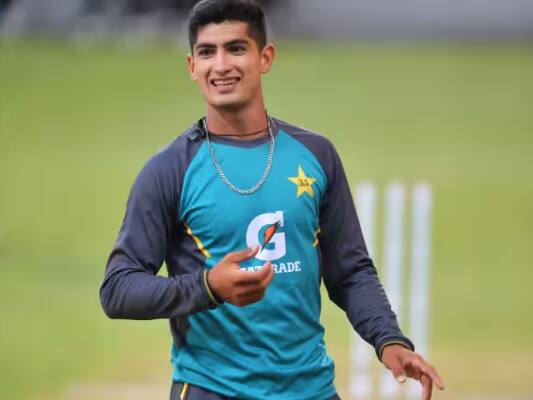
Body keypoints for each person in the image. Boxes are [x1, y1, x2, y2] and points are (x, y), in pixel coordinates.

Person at [99, 1, 445, 399]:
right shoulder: (169, 171)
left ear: (265, 57)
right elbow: (118, 289)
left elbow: (350, 270)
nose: (221, 65)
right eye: (207, 52)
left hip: (311, 389)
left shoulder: (316, 155)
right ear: (192, 66)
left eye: (236, 49)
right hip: (213, 390)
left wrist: (389, 340)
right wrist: (207, 286)